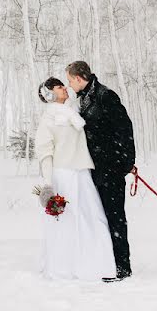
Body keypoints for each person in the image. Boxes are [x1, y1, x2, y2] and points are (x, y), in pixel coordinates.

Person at [34, 77, 116, 281]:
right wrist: (48, 184)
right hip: (63, 174)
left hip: (82, 172)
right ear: (51, 94)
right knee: (68, 221)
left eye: (64, 85)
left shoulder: (74, 111)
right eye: (60, 87)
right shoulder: (48, 119)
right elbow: (45, 151)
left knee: (93, 218)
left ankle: (97, 264)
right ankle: (65, 266)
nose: (65, 88)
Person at [65, 61, 135, 282]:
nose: (68, 85)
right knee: (101, 217)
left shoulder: (106, 96)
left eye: (69, 80)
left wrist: (125, 163)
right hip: (95, 170)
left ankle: (122, 267)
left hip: (111, 169)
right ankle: (107, 263)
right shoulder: (83, 99)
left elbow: (125, 128)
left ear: (78, 78)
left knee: (115, 218)